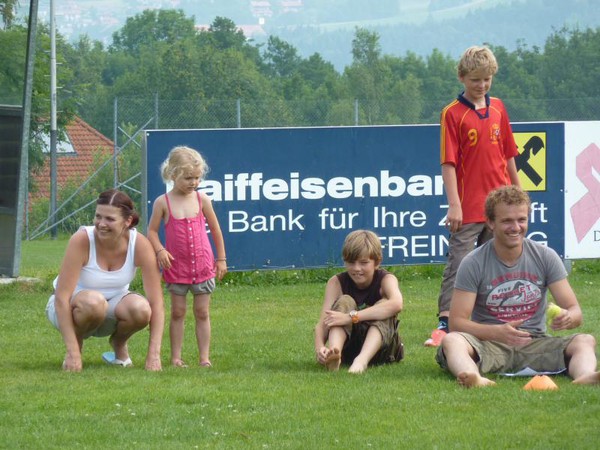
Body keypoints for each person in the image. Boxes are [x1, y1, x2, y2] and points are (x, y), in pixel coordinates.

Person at [436, 186, 600, 387]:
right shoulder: (473, 262)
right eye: (507, 221)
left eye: (521, 220)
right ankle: (473, 376)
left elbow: (575, 312)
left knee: (585, 340)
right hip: (489, 346)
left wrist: (568, 317)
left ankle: (585, 376)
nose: (515, 227)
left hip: (535, 344)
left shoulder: (545, 256)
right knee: (452, 341)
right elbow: (456, 323)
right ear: (490, 223)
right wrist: (497, 332)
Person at [425, 45, 521, 347]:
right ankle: (445, 323)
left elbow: (509, 154)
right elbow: (448, 163)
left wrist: (519, 195)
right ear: (462, 77)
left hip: (499, 208)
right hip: (467, 208)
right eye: (475, 79)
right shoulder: (452, 113)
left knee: (498, 263)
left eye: (487, 79)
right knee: (460, 263)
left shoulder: (499, 108)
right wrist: (454, 205)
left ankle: (492, 320)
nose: (481, 85)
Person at [46, 189, 165, 372]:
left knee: (141, 309)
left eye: (110, 219)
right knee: (94, 302)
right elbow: (61, 298)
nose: (101, 224)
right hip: (70, 309)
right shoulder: (82, 239)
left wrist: (154, 355)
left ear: (128, 221)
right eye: (98, 216)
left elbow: (156, 303)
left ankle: (119, 343)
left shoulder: (140, 244)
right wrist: (72, 352)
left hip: (111, 309)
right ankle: (76, 348)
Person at [147, 146, 227, 368]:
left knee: (202, 312)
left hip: (202, 266)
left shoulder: (202, 200)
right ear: (173, 175)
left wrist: (221, 259)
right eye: (188, 178)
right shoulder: (162, 202)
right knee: (178, 312)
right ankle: (176, 357)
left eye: (197, 178)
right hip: (177, 267)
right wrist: (160, 250)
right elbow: (151, 231)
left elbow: (216, 230)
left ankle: (204, 358)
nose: (194, 182)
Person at [314, 230, 404, 374]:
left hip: (383, 350)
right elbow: (323, 322)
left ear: (377, 262)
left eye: (364, 263)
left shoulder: (386, 279)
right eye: (351, 262)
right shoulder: (336, 282)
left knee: (384, 305)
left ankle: (362, 360)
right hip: (349, 348)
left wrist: (351, 317)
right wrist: (319, 348)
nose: (356, 268)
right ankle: (334, 354)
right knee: (344, 301)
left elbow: (396, 304)